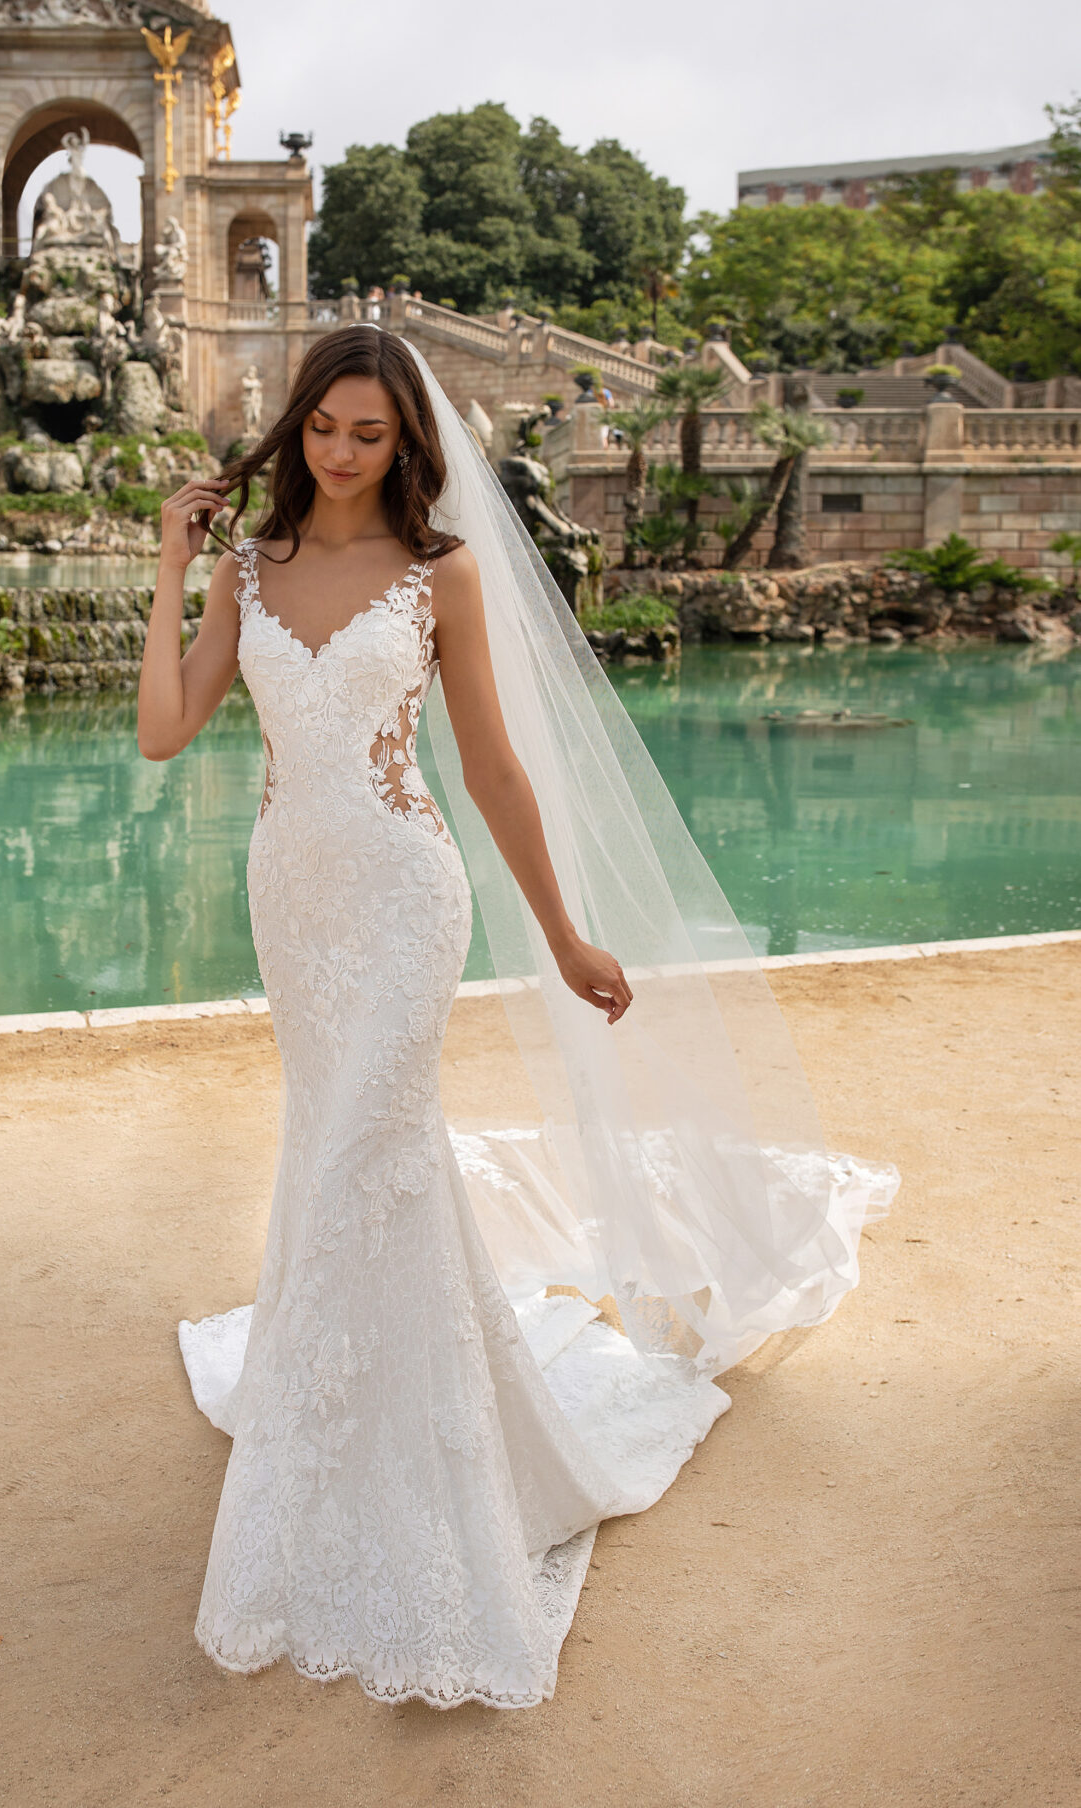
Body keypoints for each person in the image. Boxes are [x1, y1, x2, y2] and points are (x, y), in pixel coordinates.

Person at [136, 325, 895, 1709]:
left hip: (405, 896)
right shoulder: (247, 571)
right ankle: (346, 1412)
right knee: (333, 1154)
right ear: (294, 426)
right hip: (294, 903)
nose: (343, 453)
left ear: (406, 443)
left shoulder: (442, 572)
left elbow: (486, 765)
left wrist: (558, 931)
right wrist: (176, 566)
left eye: (370, 434)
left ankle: (407, 1466)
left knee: (374, 1145)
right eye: (323, 428)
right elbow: (164, 730)